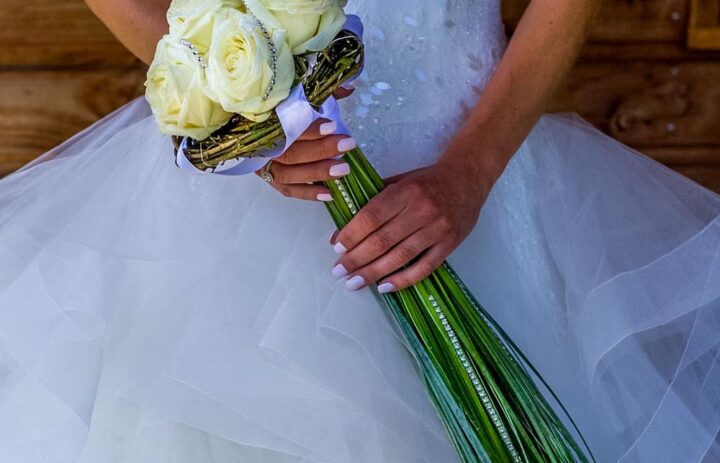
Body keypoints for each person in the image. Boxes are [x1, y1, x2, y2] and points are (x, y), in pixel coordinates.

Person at [0, 0, 717, 461]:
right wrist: (235, 112)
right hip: (234, 207)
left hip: (475, 159)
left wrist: (473, 170)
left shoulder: (475, 173)